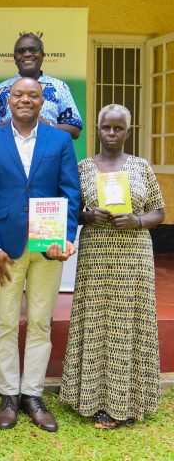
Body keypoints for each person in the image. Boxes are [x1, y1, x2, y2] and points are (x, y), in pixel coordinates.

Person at [0, 77, 80, 432]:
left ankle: (32, 395)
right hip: (6, 248)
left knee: (40, 322)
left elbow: (70, 192)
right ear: (8, 100)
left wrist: (65, 239)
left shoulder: (59, 140)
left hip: (48, 247)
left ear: (41, 101)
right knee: (5, 322)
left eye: (32, 95)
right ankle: (8, 395)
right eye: (18, 94)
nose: (25, 100)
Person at [60, 104, 164, 428]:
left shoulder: (141, 166)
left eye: (118, 128)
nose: (112, 133)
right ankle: (89, 398)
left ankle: (129, 401)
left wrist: (138, 221)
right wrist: (88, 216)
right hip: (96, 254)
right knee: (94, 320)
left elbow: (159, 212)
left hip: (134, 255)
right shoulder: (83, 168)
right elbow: (72, 211)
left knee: (129, 322)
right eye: (106, 127)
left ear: (127, 133)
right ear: (98, 129)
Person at [0, 33, 82, 139]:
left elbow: (75, 130)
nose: (27, 54)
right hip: (9, 148)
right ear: (15, 58)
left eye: (33, 49)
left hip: (48, 148)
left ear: (43, 55)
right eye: (21, 51)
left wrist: (47, 125)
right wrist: (7, 126)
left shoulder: (60, 87)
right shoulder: (0, 90)